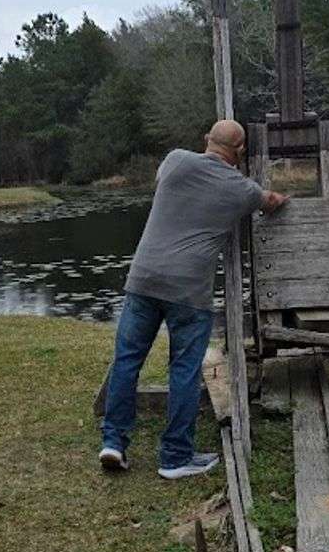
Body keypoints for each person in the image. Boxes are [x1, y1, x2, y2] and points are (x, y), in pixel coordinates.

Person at [99, 120, 289, 480]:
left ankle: (113, 442)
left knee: (127, 361)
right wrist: (279, 199)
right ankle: (174, 457)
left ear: (206, 140)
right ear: (241, 152)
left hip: (143, 278)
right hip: (188, 291)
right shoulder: (242, 189)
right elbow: (270, 203)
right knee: (184, 370)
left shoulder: (174, 160)